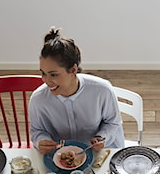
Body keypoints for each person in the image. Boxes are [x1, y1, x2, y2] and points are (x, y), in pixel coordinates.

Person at [29, 27, 124, 155]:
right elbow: (37, 130)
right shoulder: (38, 99)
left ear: (73, 70)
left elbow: (113, 123)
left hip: (98, 155)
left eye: (53, 75)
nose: (46, 81)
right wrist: (41, 140)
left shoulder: (102, 90)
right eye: (43, 73)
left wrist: (102, 138)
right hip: (60, 156)